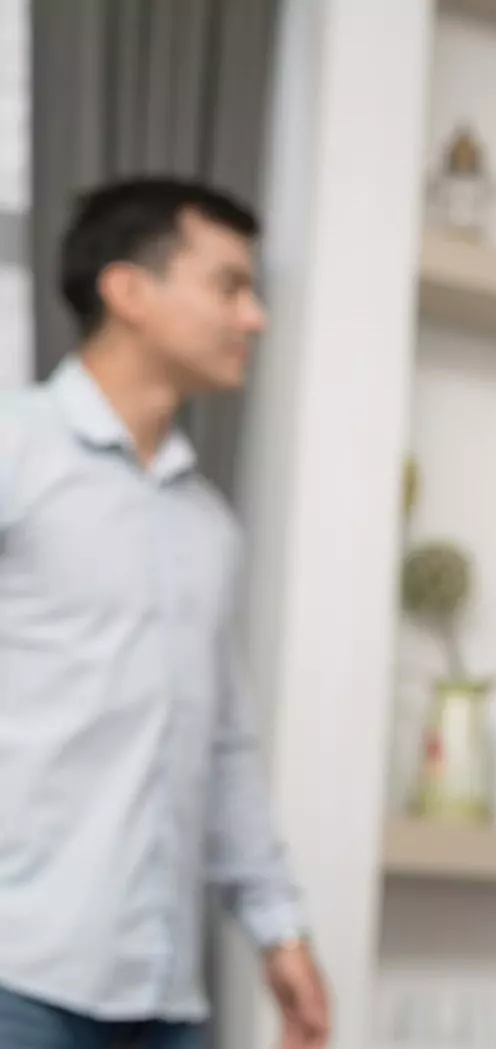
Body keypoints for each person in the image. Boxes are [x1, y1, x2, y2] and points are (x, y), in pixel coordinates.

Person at [0, 178, 329, 1048]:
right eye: (229, 286)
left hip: (163, 992)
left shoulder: (207, 525)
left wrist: (279, 925)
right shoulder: (15, 449)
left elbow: (223, 744)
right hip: (17, 978)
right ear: (129, 290)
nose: (253, 317)